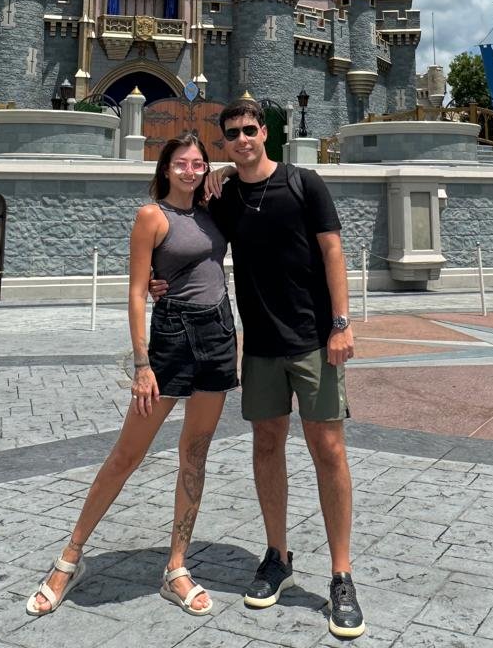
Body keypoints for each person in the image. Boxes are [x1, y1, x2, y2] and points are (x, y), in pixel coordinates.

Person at [156, 98, 364, 639]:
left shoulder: (305, 183)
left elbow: (333, 251)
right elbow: (186, 237)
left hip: (314, 339)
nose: (242, 139)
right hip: (262, 347)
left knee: (329, 450)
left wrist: (341, 323)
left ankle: (341, 574)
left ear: (264, 132)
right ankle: (278, 554)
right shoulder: (222, 195)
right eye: (232, 134)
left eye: (249, 130)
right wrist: (159, 282)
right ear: (223, 141)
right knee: (267, 445)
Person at [25, 134, 237, 618]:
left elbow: (247, 176)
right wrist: (143, 365)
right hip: (171, 339)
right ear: (165, 169)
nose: (190, 170)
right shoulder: (151, 216)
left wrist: (222, 172)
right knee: (127, 453)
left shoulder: (213, 210)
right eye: (181, 163)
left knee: (195, 454)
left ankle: (177, 568)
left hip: (219, 333)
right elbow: (138, 292)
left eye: (198, 163)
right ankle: (69, 558)